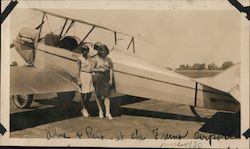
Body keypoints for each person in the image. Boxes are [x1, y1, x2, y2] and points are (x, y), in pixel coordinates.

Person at [92, 44, 114, 120]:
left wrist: (111, 79)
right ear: (99, 51)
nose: (103, 52)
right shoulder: (95, 59)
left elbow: (111, 70)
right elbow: (92, 69)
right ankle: (101, 111)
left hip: (106, 77)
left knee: (107, 95)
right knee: (98, 95)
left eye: (104, 50)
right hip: (98, 77)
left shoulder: (109, 59)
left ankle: (108, 113)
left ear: (106, 51)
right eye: (101, 50)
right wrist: (99, 70)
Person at [77, 44, 94, 117]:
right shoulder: (79, 58)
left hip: (89, 75)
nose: (86, 52)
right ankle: (83, 109)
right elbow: (78, 70)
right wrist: (79, 80)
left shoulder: (90, 58)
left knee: (89, 92)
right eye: (84, 50)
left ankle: (86, 106)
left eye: (87, 50)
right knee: (83, 93)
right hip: (83, 75)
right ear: (82, 51)